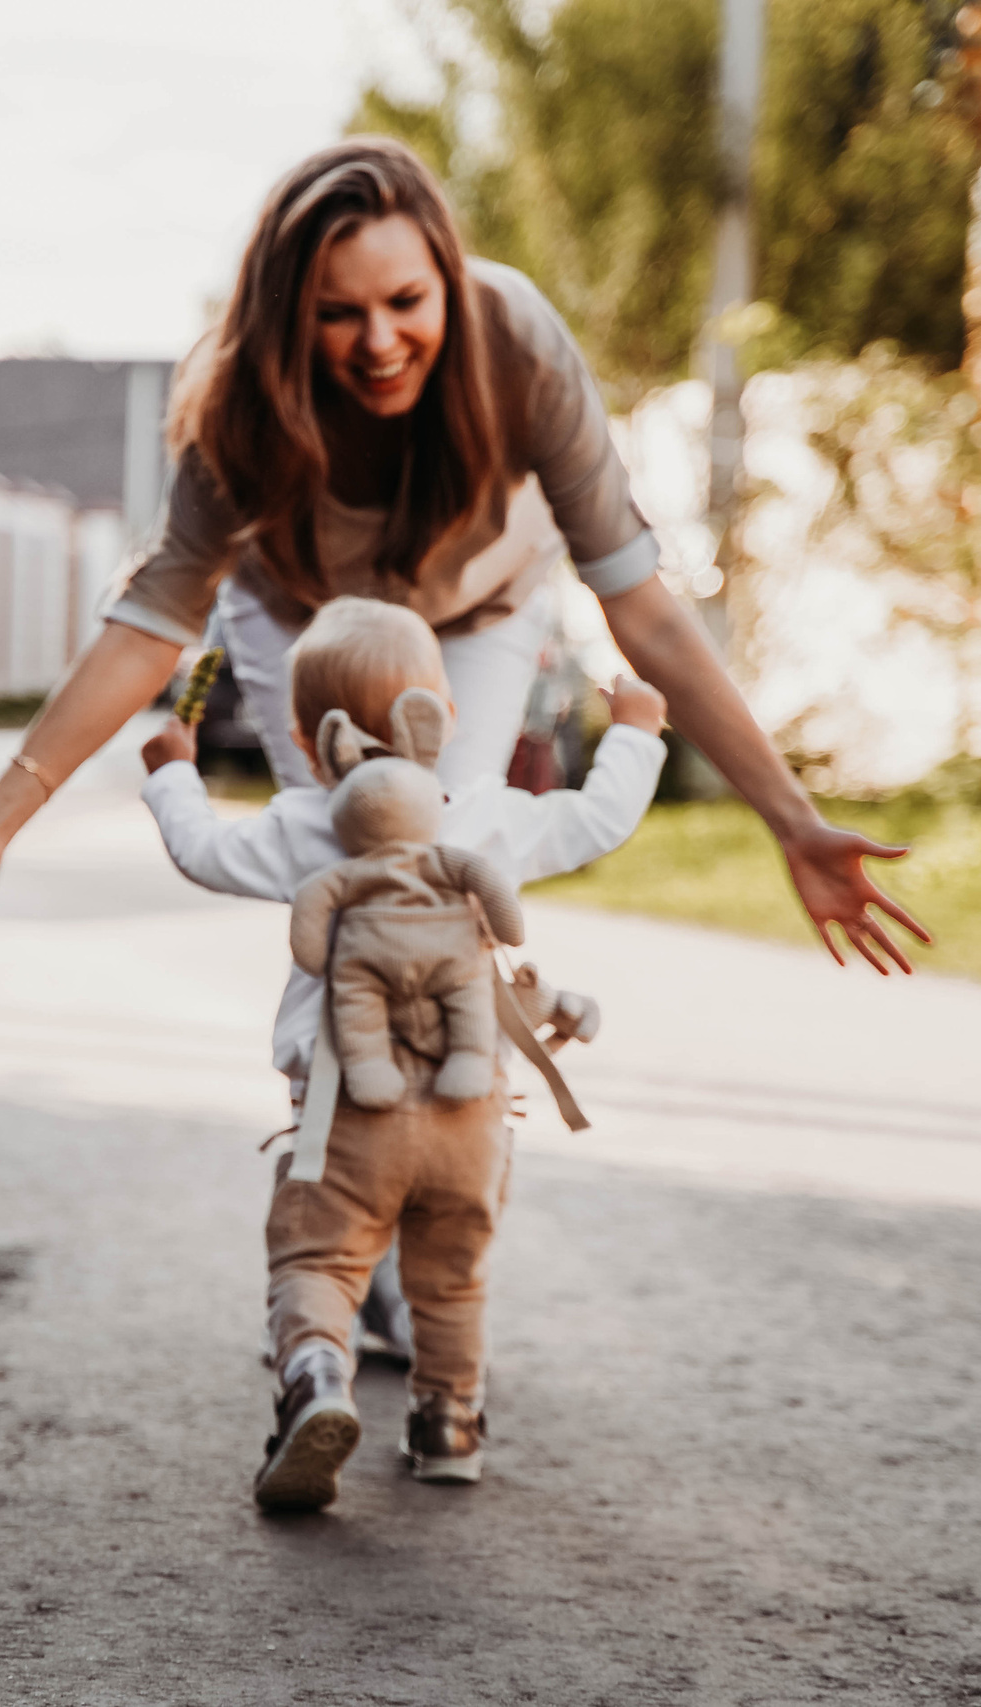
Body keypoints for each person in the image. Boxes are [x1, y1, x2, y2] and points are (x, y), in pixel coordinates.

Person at [0, 137, 926, 984]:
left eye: (404, 303)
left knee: (445, 868)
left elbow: (642, 613)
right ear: (285, 318)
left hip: (475, 616)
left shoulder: (517, 344)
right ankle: (335, 1147)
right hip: (299, 622)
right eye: (336, 315)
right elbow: (150, 630)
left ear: (444, 278)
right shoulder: (235, 399)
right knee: (342, 861)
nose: (378, 342)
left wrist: (792, 820)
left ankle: (451, 1152)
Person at [137, 597, 668, 1508]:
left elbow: (201, 852)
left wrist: (173, 773)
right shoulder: (491, 819)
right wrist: (636, 731)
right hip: (470, 1116)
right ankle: (449, 1423)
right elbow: (599, 819)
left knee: (321, 1263)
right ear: (446, 720)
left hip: (343, 1118)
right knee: (451, 1277)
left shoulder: (304, 823)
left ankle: (315, 1376)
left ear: (308, 739)